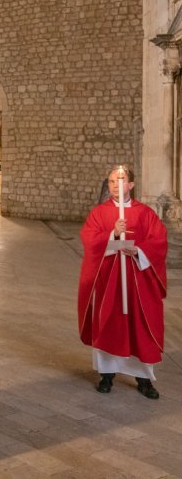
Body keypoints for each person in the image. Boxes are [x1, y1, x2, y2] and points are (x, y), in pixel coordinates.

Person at [78, 166, 167, 399]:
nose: (116, 186)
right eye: (111, 182)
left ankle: (144, 379)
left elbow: (159, 242)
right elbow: (89, 241)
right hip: (110, 282)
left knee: (141, 326)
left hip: (139, 282)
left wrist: (138, 249)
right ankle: (107, 375)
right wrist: (114, 235)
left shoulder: (146, 213)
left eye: (121, 181)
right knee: (109, 323)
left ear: (131, 185)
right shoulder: (99, 213)